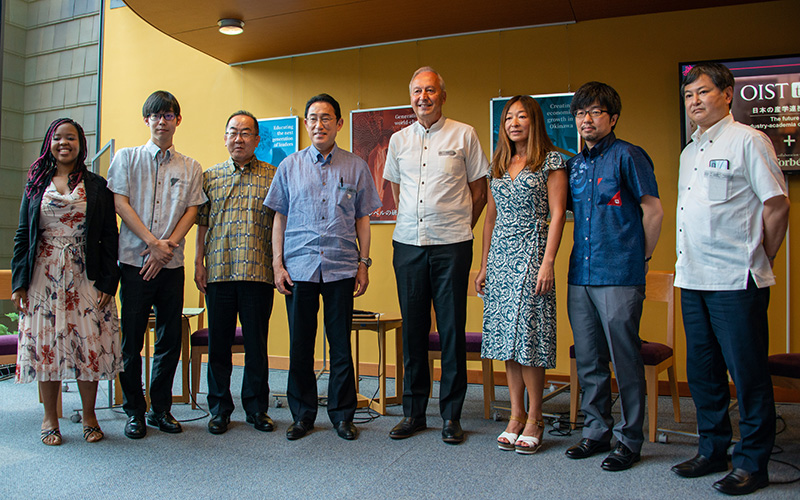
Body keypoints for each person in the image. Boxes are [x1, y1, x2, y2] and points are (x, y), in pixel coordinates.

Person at [671, 62, 790, 496]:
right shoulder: (690, 150)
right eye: (688, 95)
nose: (694, 101)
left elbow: (777, 206)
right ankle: (713, 449)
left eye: (702, 92)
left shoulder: (749, 141)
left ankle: (753, 463)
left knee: (748, 374)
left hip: (737, 281)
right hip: (693, 277)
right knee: (702, 372)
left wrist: (762, 255)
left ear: (728, 93)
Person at [265, 93, 381, 441]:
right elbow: (279, 218)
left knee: (340, 343)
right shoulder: (290, 166)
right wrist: (276, 264)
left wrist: (363, 264)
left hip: (341, 266)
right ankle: (302, 415)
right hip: (298, 266)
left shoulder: (356, 166)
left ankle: (343, 415)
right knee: (301, 344)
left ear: (339, 124)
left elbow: (363, 219)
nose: (319, 124)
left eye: (326, 118)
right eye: (313, 118)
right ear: (305, 123)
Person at [384, 67, 489, 444]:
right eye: (416, 91)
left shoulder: (465, 134)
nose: (422, 97)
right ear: (410, 96)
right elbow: (397, 193)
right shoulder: (398, 140)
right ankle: (414, 413)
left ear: (442, 96)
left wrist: (461, 228)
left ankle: (451, 416)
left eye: (430, 91)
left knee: (450, 330)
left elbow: (479, 192)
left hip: (452, 246)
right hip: (408, 245)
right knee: (413, 330)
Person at [564, 82, 663, 471]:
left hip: (620, 274)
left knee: (624, 359)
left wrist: (643, 258)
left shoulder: (629, 156)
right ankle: (595, 430)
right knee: (589, 359)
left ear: (613, 118)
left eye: (595, 112)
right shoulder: (574, 165)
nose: (586, 119)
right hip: (581, 275)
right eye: (580, 113)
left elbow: (652, 211)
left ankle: (629, 439)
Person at [11, 118, 122, 445]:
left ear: (80, 143)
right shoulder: (35, 183)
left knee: (88, 345)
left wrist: (107, 282)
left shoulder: (98, 185)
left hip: (85, 275)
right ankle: (50, 418)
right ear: (50, 142)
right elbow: (22, 235)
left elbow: (109, 237)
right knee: (48, 347)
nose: (64, 143)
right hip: (42, 275)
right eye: (58, 138)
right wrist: (19, 282)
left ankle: (89, 415)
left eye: (70, 138)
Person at [107, 90, 206, 439]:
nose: (162, 121)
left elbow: (193, 210)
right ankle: (134, 410)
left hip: (172, 265)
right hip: (134, 263)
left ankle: (160, 409)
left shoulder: (191, 166)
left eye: (168, 115)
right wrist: (152, 245)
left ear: (178, 120)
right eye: (156, 115)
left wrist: (167, 248)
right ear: (146, 120)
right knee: (130, 341)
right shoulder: (127, 158)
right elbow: (120, 203)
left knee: (169, 338)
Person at [476, 96, 567, 454]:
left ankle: (536, 417)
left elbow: (558, 214)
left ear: (534, 121)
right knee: (505, 339)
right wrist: (483, 265)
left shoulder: (551, 160)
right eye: (509, 117)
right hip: (500, 256)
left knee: (528, 337)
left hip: (533, 253)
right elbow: (490, 218)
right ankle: (515, 415)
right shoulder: (497, 165)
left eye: (522, 116)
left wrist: (548, 263)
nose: (514, 122)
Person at [195, 110, 277, 435]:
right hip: (219, 272)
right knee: (219, 345)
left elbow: (280, 226)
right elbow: (201, 224)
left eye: (246, 133)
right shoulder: (209, 177)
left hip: (259, 272)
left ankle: (256, 409)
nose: (238, 138)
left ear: (257, 139)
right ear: (225, 137)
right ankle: (219, 409)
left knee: (257, 345)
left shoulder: (273, 176)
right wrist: (198, 262)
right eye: (233, 132)